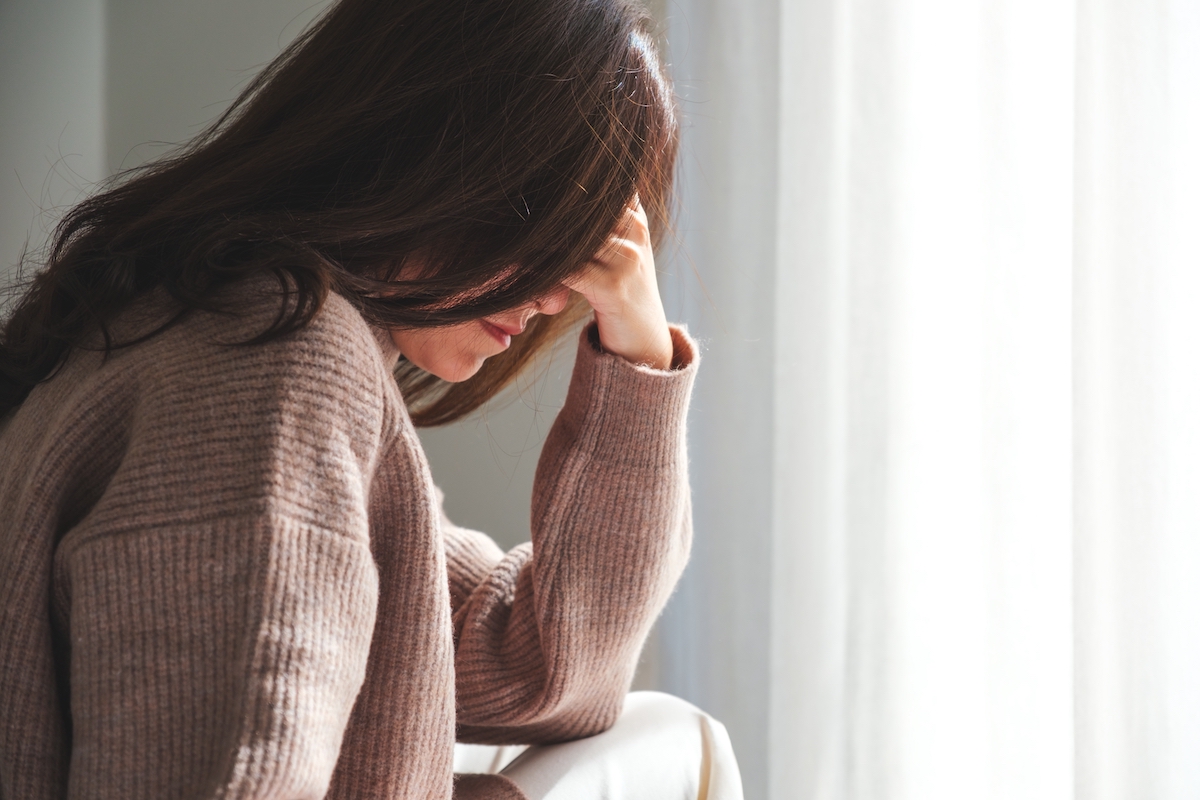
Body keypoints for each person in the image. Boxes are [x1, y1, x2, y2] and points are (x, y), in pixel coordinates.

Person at [0, 0, 742, 798]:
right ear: (429, 152)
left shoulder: (218, 328)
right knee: (678, 746)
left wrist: (641, 354)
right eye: (543, 219)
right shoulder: (272, 373)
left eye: (585, 246)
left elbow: (543, 664)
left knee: (662, 732)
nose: (558, 294)